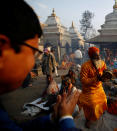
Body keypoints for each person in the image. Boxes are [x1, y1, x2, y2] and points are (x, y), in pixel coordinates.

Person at [0, 0, 80, 130]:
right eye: (33, 52)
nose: (33, 62)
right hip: (48, 69)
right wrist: (66, 119)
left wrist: (53, 119)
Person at [78, 47, 108, 128]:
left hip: (99, 87)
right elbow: (83, 81)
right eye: (96, 56)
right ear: (91, 56)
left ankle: (100, 112)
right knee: (92, 104)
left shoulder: (102, 63)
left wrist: (106, 76)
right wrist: (95, 79)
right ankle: (88, 119)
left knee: (104, 99)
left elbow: (105, 71)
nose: (98, 57)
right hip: (89, 90)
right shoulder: (85, 66)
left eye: (98, 55)